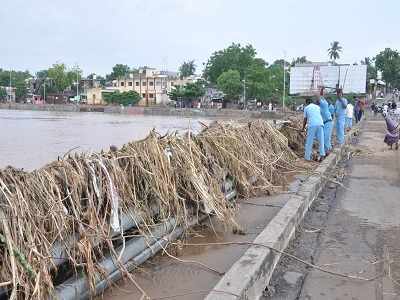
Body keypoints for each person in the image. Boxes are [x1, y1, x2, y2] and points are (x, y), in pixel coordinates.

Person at [317, 89, 333, 154]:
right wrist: (321, 90)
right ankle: (328, 151)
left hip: (328, 122)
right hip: (326, 123)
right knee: (326, 138)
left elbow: (319, 97)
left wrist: (317, 91)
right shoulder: (323, 104)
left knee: (325, 138)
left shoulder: (323, 104)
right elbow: (321, 96)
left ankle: (327, 152)